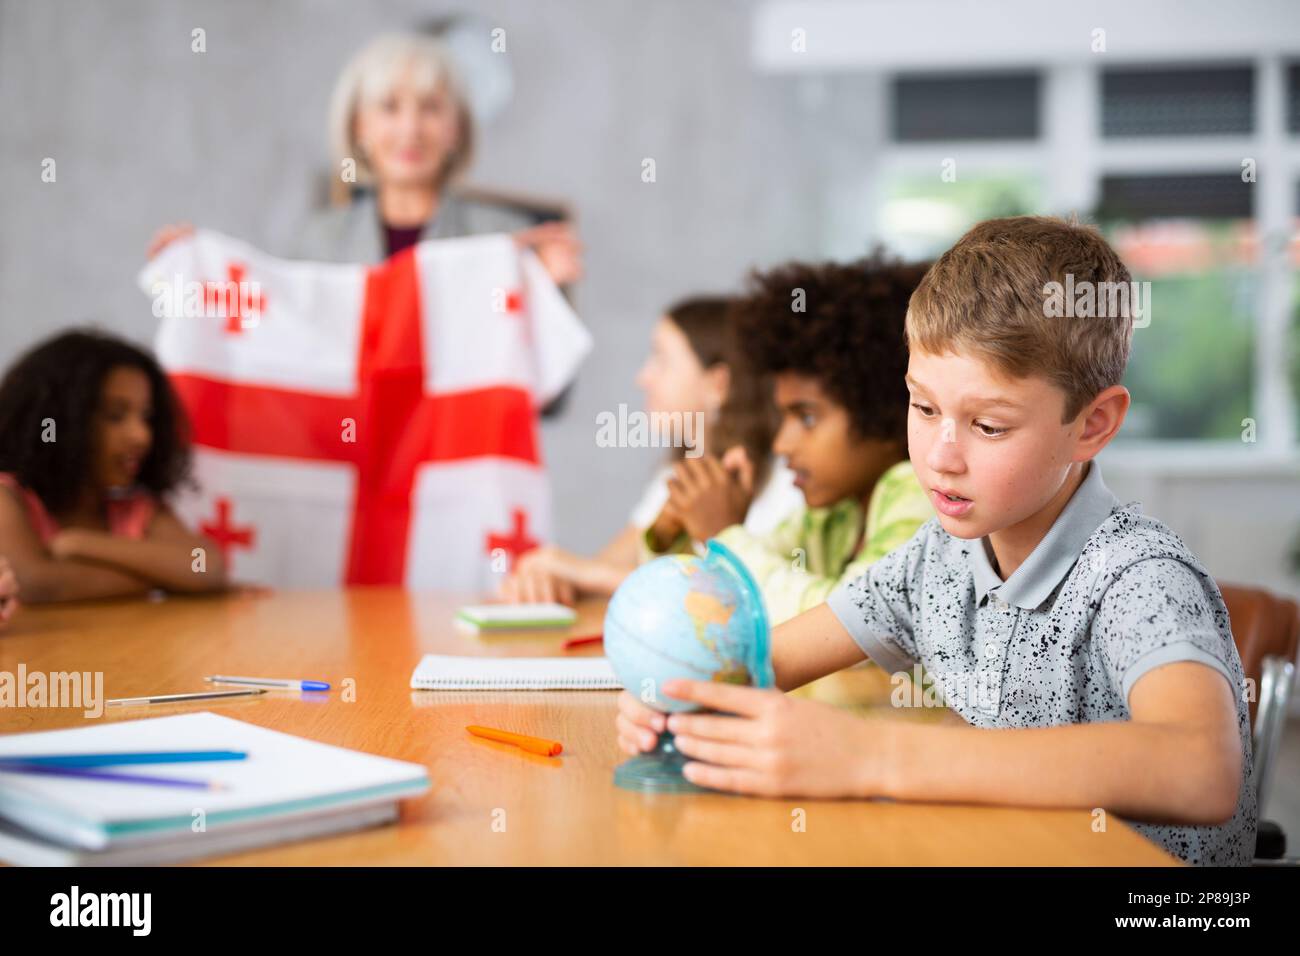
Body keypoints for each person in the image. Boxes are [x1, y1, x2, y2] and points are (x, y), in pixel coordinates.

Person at [617, 216, 1256, 867]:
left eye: (988, 425)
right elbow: (761, 662)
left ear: (1092, 425)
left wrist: (870, 756)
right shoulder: (935, 561)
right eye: (923, 408)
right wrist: (677, 696)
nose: (940, 457)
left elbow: (1201, 769)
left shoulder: (1138, 577)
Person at [641, 256, 934, 627]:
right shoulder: (833, 516)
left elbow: (849, 625)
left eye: (806, 417)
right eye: (784, 418)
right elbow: (709, 603)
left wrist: (723, 535)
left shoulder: (917, 493)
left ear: (882, 413)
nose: (781, 444)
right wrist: (671, 532)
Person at [149, 32, 581, 279]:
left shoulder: (507, 240)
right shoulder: (317, 240)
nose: (410, 129)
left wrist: (547, 292)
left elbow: (548, 390)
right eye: (389, 107)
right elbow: (278, 341)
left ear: (458, 129)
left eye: (431, 108)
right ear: (360, 127)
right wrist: (198, 273)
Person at [502, 296, 800, 604]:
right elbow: (607, 565)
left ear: (718, 384)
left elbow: (757, 595)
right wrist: (555, 575)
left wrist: (585, 574)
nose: (643, 377)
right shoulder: (674, 476)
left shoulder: (786, 484)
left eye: (661, 359)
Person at [0, 330, 227, 602]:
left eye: (147, 417)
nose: (141, 436)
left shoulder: (135, 509)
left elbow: (205, 566)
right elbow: (35, 585)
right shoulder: (9, 497)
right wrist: (162, 578)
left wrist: (78, 543)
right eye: (115, 416)